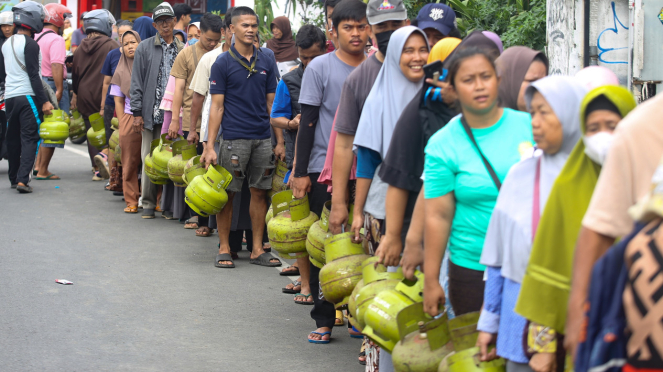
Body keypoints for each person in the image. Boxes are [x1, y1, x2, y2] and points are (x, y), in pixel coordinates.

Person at [516, 84, 640, 363]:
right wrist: (542, 346)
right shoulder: (568, 187)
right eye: (593, 128)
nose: (603, 136)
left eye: (612, 125)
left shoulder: (649, 183)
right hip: (589, 328)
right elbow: (546, 270)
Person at [476, 76, 587, 370]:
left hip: (583, 323)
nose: (535, 122)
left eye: (545, 112)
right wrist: (490, 320)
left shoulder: (595, 177)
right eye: (532, 112)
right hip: (521, 324)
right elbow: (498, 258)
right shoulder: (520, 175)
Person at [422, 47, 534, 317]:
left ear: (498, 79)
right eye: (468, 80)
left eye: (485, 76)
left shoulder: (531, 125)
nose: (479, 86)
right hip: (472, 268)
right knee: (476, 356)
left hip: (532, 263)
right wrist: (431, 279)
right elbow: (437, 216)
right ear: (453, 88)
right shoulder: (442, 145)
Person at [290, 0, 369, 345]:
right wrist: (300, 170)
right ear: (333, 32)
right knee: (327, 242)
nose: (356, 33)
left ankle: (355, 314)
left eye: (361, 26)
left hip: (367, 171)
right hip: (325, 169)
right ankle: (324, 317)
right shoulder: (319, 67)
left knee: (362, 242)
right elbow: (307, 123)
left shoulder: (377, 66)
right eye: (347, 27)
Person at [200, 6, 280, 268]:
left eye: (254, 25)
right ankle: (224, 247)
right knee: (228, 194)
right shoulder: (222, 63)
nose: (251, 30)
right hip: (233, 139)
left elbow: (272, 105)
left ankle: (257, 249)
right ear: (231, 29)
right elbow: (217, 107)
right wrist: (209, 146)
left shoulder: (267, 59)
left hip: (262, 139)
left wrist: (278, 141)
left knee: (260, 193)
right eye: (245, 25)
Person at [375, 37, 461, 278]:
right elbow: (400, 176)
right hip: (416, 226)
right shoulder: (420, 111)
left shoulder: (466, 111)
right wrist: (395, 237)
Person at [327, 0, 410, 236]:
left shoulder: (423, 71)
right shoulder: (359, 79)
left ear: (408, 24)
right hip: (379, 198)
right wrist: (339, 203)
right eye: (382, 26)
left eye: (396, 24)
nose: (390, 32)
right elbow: (344, 145)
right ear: (371, 30)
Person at [269, 24, 327, 304]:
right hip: (299, 162)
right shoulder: (289, 81)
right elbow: (275, 117)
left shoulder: (337, 75)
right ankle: (306, 285)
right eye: (303, 58)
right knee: (303, 226)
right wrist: (290, 123)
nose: (308, 64)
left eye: (313, 57)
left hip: (330, 162)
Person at [130, 2, 184, 219]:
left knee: (173, 159)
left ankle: (169, 206)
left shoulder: (183, 48)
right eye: (160, 22)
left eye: (168, 20)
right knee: (149, 158)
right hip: (151, 113)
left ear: (174, 21)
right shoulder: (144, 47)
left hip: (174, 115)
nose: (165, 25)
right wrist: (136, 113)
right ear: (154, 25)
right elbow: (136, 82)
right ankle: (149, 204)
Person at [187, 7, 232, 237]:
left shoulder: (257, 56)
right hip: (210, 124)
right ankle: (204, 221)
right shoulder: (210, 58)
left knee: (230, 179)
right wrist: (193, 129)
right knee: (208, 172)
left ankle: (232, 228)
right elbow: (198, 96)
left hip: (238, 127)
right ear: (227, 30)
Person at [0, 1, 53, 193]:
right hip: (27, 97)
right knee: (30, 138)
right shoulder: (31, 44)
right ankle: (23, 180)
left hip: (10, 98)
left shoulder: (7, 44)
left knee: (12, 138)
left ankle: (14, 178)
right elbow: (33, 76)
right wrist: (45, 101)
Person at [71, 9, 119, 181]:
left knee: (92, 130)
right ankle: (106, 164)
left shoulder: (79, 48)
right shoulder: (112, 45)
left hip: (84, 94)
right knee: (108, 131)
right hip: (105, 95)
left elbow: (75, 75)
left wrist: (75, 94)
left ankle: (95, 166)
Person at [32, 3, 73, 182]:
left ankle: (37, 166)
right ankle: (43, 170)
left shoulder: (36, 36)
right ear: (56, 18)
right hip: (51, 84)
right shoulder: (56, 39)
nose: (66, 23)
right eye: (64, 18)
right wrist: (60, 89)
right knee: (54, 128)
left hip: (39, 84)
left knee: (43, 127)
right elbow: (56, 64)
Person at [110, 30, 142, 213]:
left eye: (133, 42)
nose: (130, 46)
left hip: (150, 117)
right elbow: (118, 101)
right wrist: (123, 124)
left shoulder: (147, 66)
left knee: (150, 160)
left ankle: (154, 198)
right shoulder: (120, 70)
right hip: (129, 118)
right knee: (129, 162)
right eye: (126, 43)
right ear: (121, 48)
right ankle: (131, 200)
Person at [496, 46, 549, 112]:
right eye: (532, 81)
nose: (542, 88)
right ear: (509, 81)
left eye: (544, 81)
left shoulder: (550, 120)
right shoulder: (484, 120)